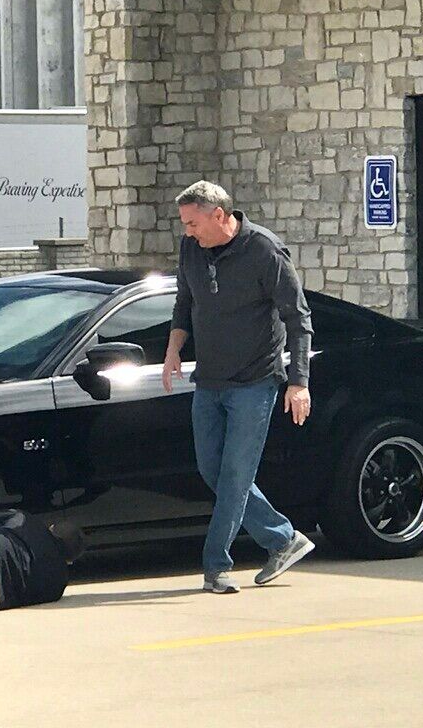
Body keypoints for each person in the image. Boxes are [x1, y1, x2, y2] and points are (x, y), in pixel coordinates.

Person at [163, 180, 315, 594]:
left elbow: (298, 321)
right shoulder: (191, 248)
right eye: (184, 224)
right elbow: (184, 301)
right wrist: (174, 348)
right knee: (212, 469)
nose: (187, 231)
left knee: (234, 475)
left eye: (192, 223)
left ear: (219, 215)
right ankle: (283, 539)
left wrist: (298, 383)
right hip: (208, 380)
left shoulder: (265, 251)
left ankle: (216, 565)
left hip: (255, 381)